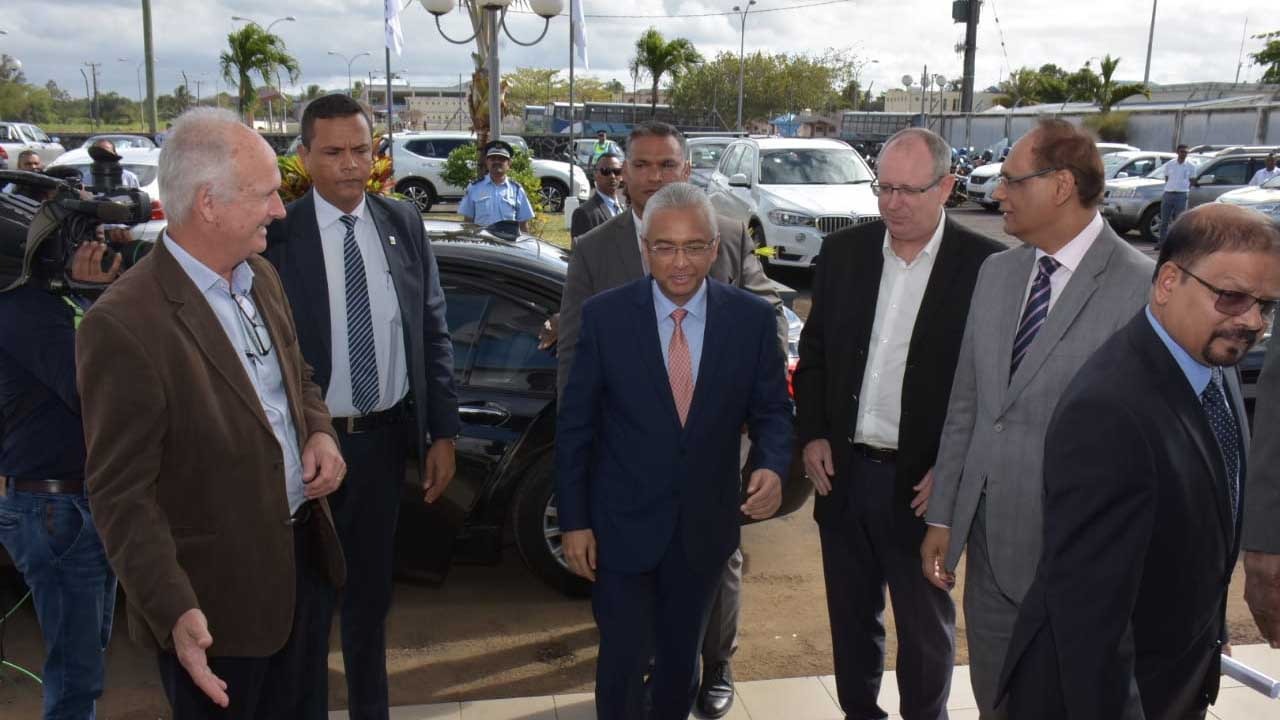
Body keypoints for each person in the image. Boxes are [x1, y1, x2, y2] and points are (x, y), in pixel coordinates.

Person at [77, 107, 348, 719]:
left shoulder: (261, 276)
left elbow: (298, 377)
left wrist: (319, 433)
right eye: (266, 194)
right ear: (208, 204)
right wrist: (173, 608)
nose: (280, 210)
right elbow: (120, 495)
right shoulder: (123, 325)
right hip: (215, 609)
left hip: (301, 572)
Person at [998, 203, 1280, 719]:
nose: (1252, 322)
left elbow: (1202, 531)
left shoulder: (1213, 363)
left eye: (1267, 305)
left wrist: (1208, 636)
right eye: (1232, 297)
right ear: (1168, 282)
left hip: (1172, 683)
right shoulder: (1107, 412)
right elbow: (1092, 624)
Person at [920, 118, 1154, 719]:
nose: (998, 192)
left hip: (1080, 562)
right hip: (990, 554)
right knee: (997, 700)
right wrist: (944, 514)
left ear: (1061, 186)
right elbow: (969, 405)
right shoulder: (997, 274)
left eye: (1012, 180)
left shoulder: (1143, 289)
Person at [556, 121, 785, 718]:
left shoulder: (749, 322)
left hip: (704, 530)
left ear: (714, 249)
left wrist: (771, 464)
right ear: (644, 249)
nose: (679, 263)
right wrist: (575, 520)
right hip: (621, 527)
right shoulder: (606, 319)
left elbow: (772, 411)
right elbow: (576, 426)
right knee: (622, 663)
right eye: (663, 247)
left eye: (693, 248)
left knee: (682, 664)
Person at [794, 127, 1002, 720]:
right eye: (884, 188)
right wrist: (813, 433)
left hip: (923, 488)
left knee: (925, 629)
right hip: (845, 475)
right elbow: (815, 356)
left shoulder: (987, 268)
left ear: (947, 187)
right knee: (851, 619)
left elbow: (997, 389)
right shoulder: (844, 254)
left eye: (909, 190)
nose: (893, 204)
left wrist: (954, 470)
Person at [264, 93, 460, 720]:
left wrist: (442, 433)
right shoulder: (277, 234)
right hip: (308, 449)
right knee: (308, 607)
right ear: (304, 156)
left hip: (383, 444)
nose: (350, 164)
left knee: (370, 604)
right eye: (333, 152)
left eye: (360, 149)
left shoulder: (403, 222)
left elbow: (432, 330)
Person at [0, 233, 122, 719]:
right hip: (56, 508)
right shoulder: (25, 308)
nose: (95, 246)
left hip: (81, 501)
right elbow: (91, 388)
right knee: (76, 678)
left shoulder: (59, 303)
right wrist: (99, 298)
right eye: (81, 236)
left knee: (84, 663)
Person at [458, 140, 534, 232]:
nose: (497, 161)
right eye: (493, 158)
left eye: (502, 159)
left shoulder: (517, 190)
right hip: (482, 240)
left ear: (509, 163)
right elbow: (468, 222)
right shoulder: (474, 188)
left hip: (508, 240)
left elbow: (523, 225)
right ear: (487, 162)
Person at [570, 152, 625, 242]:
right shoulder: (584, 213)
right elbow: (580, 250)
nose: (612, 176)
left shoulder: (625, 209)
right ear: (595, 174)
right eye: (605, 171)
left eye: (617, 171)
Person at [1158, 144, 1193, 248]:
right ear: (1177, 152)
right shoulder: (1170, 164)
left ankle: (1176, 244)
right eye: (1182, 152)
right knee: (1164, 220)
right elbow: (1166, 178)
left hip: (1181, 194)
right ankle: (1161, 242)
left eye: (1186, 152)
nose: (1184, 154)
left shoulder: (1191, 166)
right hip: (1168, 193)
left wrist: (1184, 188)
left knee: (1179, 221)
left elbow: (1192, 180)